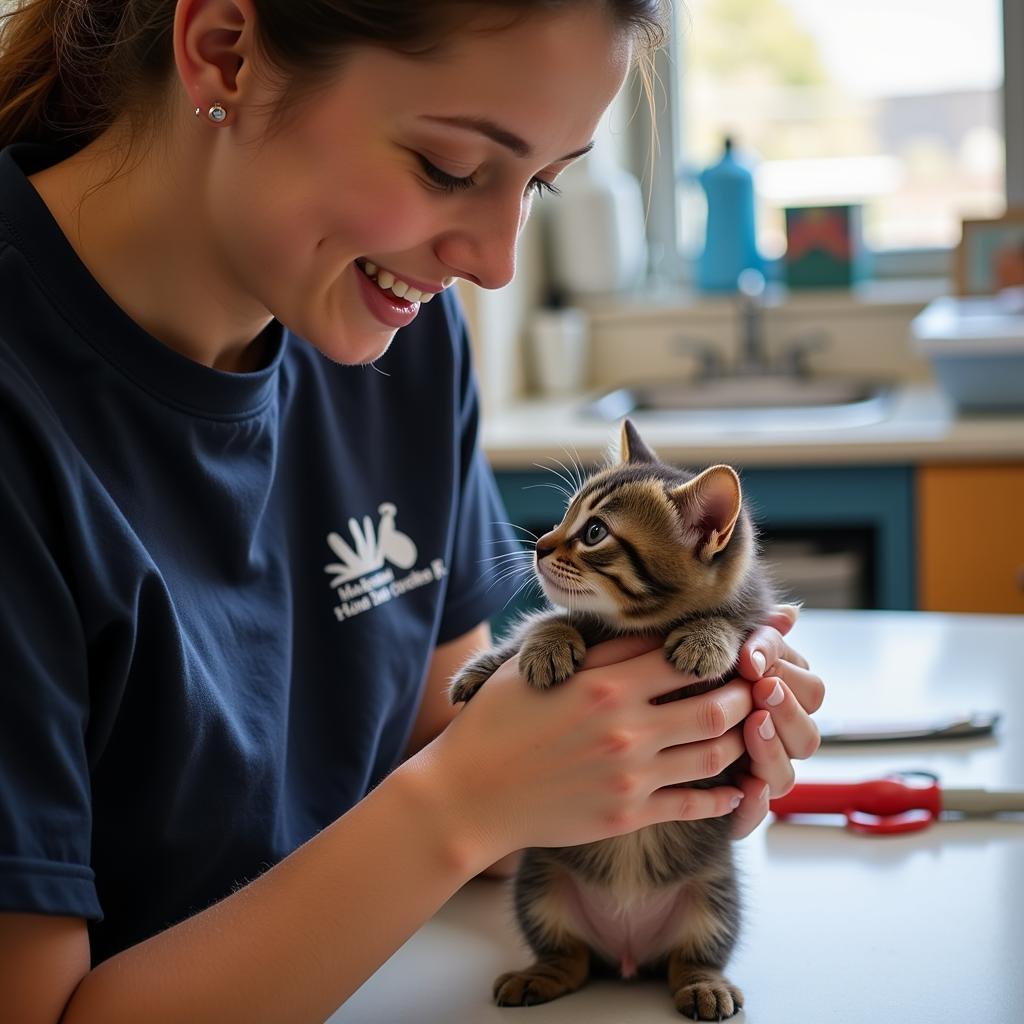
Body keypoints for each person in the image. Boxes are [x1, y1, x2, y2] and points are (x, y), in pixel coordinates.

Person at [0, 1, 824, 1020]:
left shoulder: (390, 334)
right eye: (448, 168)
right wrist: (462, 803)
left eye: (540, 184)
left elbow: (440, 743)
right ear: (224, 52)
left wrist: (659, 759)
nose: (494, 261)